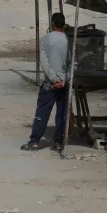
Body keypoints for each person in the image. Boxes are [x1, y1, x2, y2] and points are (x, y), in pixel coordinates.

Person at [22, 12, 69, 152]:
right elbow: (73, 63)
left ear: (52, 24)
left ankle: (35, 141)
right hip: (65, 83)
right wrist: (64, 79)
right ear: (64, 24)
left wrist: (54, 79)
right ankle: (58, 142)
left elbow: (45, 63)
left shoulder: (46, 39)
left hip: (50, 83)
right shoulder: (69, 40)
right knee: (62, 114)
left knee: (42, 112)